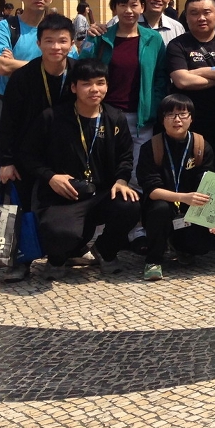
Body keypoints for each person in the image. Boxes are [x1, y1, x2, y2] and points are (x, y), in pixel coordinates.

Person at [25, 59, 140, 279]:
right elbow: (28, 156)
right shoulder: (53, 117)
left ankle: (105, 251)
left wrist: (122, 180)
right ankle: (57, 259)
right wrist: (50, 177)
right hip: (63, 196)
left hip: (101, 193)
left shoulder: (114, 118)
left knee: (131, 205)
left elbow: (125, 156)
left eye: (100, 83)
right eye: (86, 84)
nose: (94, 89)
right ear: (74, 87)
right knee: (61, 233)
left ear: (107, 86)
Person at [0, 13, 78, 281]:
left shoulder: (79, 72)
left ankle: (62, 253)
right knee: (23, 206)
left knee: (64, 203)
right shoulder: (24, 76)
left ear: (72, 42)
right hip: (26, 153)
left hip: (66, 152)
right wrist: (6, 160)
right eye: (49, 41)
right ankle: (21, 260)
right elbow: (8, 123)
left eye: (62, 41)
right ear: (39, 43)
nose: (56, 47)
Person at [83, 0, 168, 182]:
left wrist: (154, 106)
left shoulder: (152, 39)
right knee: (105, 168)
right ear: (114, 7)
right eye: (122, 5)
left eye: (134, 5)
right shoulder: (102, 37)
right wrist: (89, 38)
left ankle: (133, 210)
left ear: (142, 7)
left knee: (136, 174)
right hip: (106, 115)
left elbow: (161, 76)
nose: (128, 11)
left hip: (141, 117)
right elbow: (83, 66)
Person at [137, 94, 215, 281]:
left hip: (190, 208)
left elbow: (209, 184)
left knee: (202, 245)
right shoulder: (151, 147)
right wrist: (183, 197)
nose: (177, 120)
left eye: (183, 114)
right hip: (162, 206)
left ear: (191, 117)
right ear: (162, 119)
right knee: (160, 209)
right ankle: (153, 260)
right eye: (170, 115)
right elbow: (151, 191)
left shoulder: (201, 146)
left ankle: (181, 247)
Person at [0, 0, 52, 188]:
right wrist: (47, 64)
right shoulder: (6, 28)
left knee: (45, 168)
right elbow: (3, 67)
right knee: (1, 171)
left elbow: (67, 67)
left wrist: (16, 63)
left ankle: (35, 220)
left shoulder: (56, 29)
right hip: (8, 106)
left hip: (47, 107)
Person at [166, 0, 215, 153]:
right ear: (186, 17)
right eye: (194, 13)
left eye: (206, 12)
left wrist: (197, 72)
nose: (201, 18)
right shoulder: (177, 45)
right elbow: (182, 81)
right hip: (189, 121)